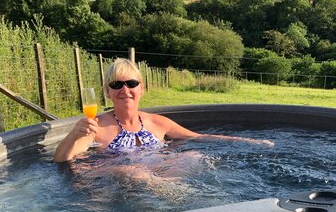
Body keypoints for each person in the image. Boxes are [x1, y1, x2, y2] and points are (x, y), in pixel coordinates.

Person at [53, 58, 272, 162]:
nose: (124, 90)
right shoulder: (95, 127)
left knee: (193, 157)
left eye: (131, 83)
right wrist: (74, 135)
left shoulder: (157, 123)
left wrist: (247, 142)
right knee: (132, 172)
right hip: (119, 189)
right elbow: (62, 160)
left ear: (142, 89)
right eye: (116, 85)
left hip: (161, 177)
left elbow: (199, 137)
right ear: (107, 92)